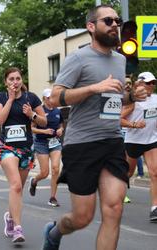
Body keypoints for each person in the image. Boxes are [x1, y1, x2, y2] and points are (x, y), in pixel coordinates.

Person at [42, 5, 147, 249]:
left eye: (117, 21)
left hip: (111, 141)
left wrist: (132, 97)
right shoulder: (78, 58)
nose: (114, 25)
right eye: (107, 20)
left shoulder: (120, 60)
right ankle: (54, 232)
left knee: (114, 208)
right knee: (82, 217)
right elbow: (55, 99)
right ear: (91, 27)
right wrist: (92, 88)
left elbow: (113, 99)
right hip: (82, 143)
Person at [0, 67, 47, 243]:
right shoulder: (1, 97)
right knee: (15, 185)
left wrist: (31, 114)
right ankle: (18, 228)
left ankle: (10, 218)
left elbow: (44, 120)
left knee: (18, 189)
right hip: (7, 147)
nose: (15, 82)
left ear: (22, 80)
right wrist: (10, 100)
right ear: (6, 82)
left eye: (17, 78)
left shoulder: (31, 98)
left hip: (26, 149)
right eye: (11, 79)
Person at [120, 72, 157, 222]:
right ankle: (116, 193)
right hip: (134, 141)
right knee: (128, 173)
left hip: (151, 141)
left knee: (155, 173)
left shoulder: (155, 99)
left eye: (153, 83)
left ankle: (155, 208)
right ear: (139, 84)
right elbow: (118, 119)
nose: (152, 86)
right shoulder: (132, 102)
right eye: (149, 83)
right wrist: (134, 124)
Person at [29, 88, 64, 207]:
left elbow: (61, 125)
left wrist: (60, 130)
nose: (51, 99)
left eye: (52, 97)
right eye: (48, 98)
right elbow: (31, 128)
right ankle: (34, 181)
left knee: (55, 169)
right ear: (44, 99)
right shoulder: (39, 111)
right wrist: (44, 132)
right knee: (45, 172)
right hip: (41, 143)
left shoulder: (57, 111)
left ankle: (52, 197)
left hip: (55, 143)